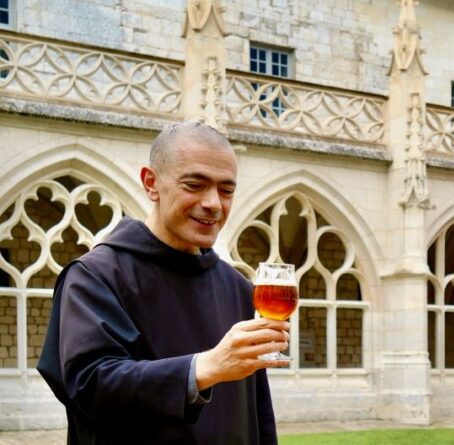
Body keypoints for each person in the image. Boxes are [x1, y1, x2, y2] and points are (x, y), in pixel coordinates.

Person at [37, 121, 288, 444]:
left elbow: (258, 411)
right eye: (195, 185)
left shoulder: (237, 286)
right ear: (151, 183)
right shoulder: (96, 276)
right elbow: (89, 383)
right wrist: (205, 367)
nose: (214, 203)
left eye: (226, 190)